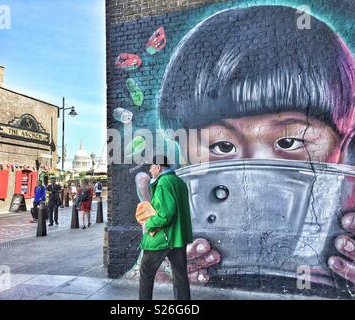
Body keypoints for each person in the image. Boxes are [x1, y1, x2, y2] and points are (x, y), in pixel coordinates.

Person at [155, 6, 355, 287]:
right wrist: (161, 272)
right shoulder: (172, 208)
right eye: (222, 146)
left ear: (344, 144)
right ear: (184, 153)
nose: (252, 179)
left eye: (289, 142)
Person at [139, 155, 193, 300]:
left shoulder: (163, 183)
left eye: (151, 167)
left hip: (163, 237)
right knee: (180, 276)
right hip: (178, 237)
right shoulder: (179, 182)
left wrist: (148, 224)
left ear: (158, 167)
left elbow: (165, 214)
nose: (150, 170)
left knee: (146, 272)